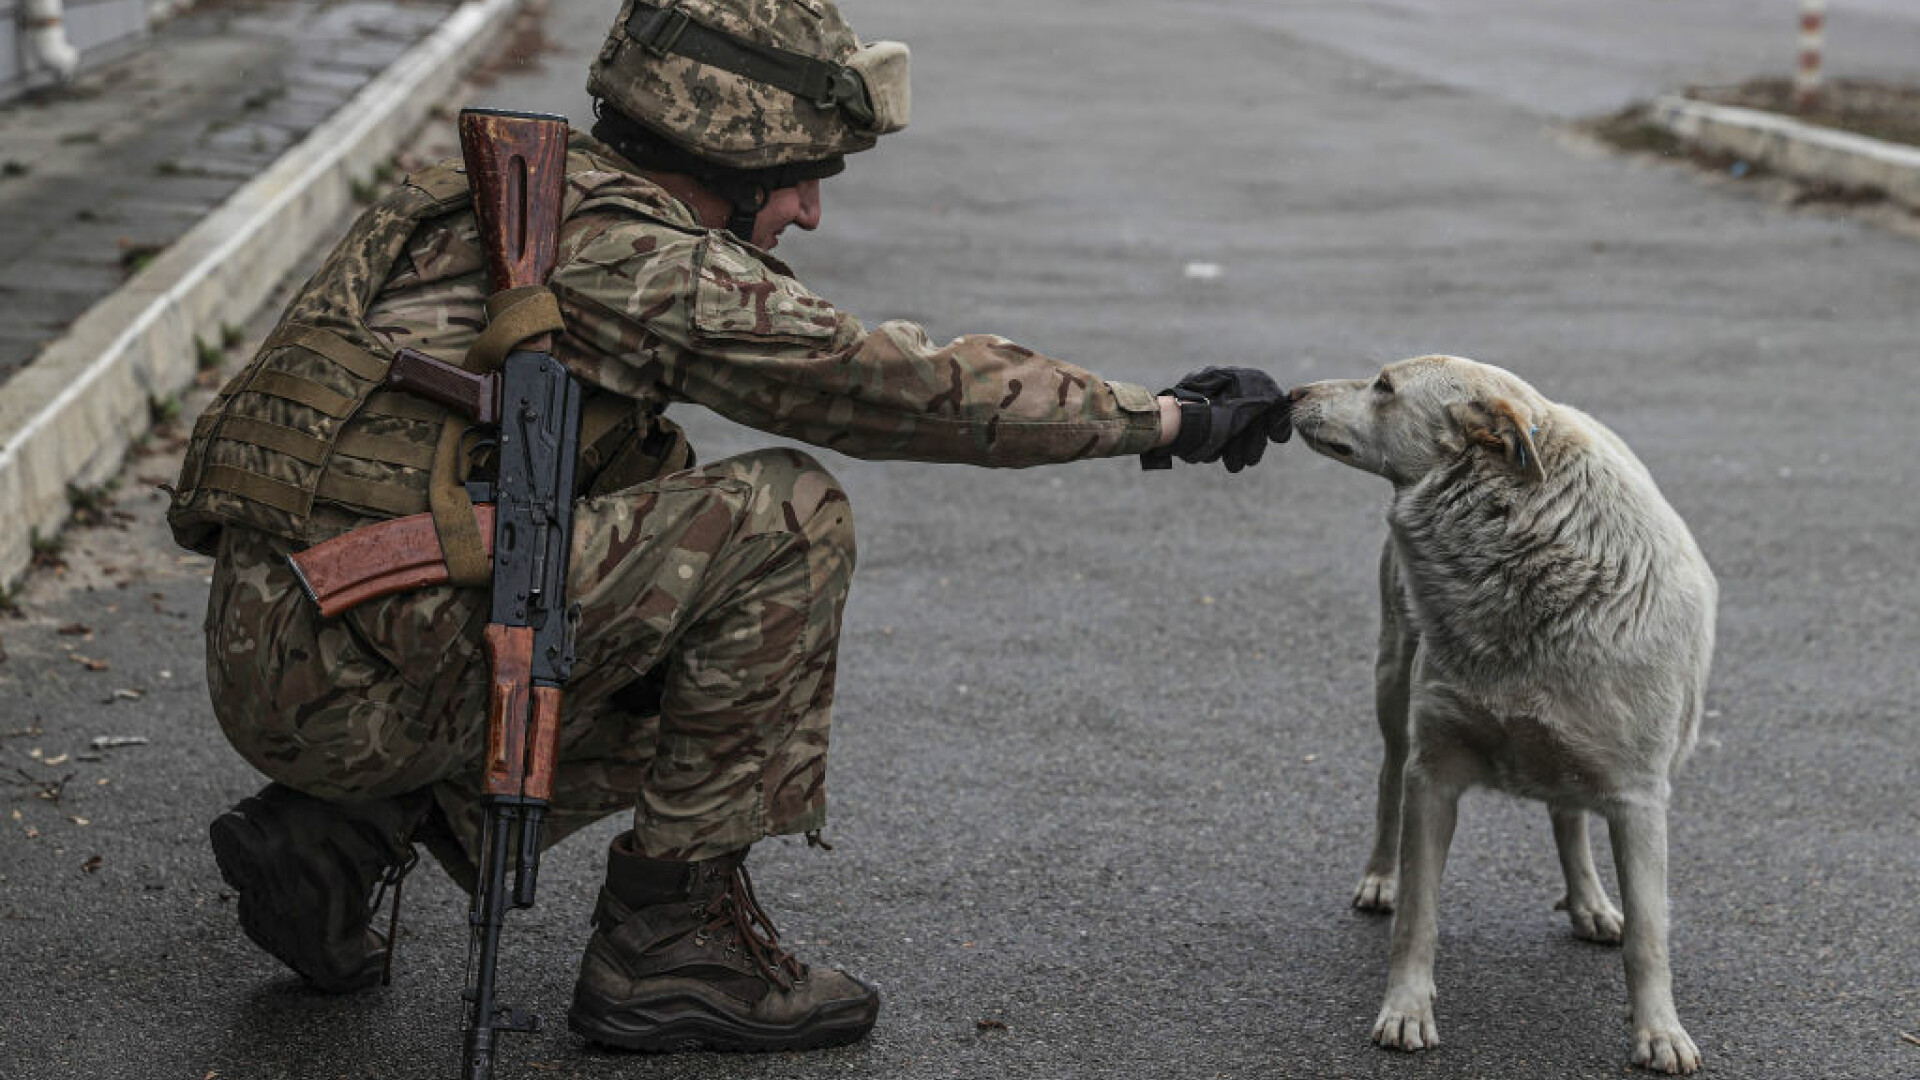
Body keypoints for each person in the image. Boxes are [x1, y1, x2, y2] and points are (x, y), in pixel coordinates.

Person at [166, 0, 1292, 1055]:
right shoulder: (647, 262)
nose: (809, 209)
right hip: (366, 677)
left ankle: (334, 841)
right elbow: (898, 388)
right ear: (738, 154)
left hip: (277, 648)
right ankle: (672, 946)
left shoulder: (471, 196)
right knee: (782, 525)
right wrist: (1163, 421)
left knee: (644, 510)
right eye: (805, 175)